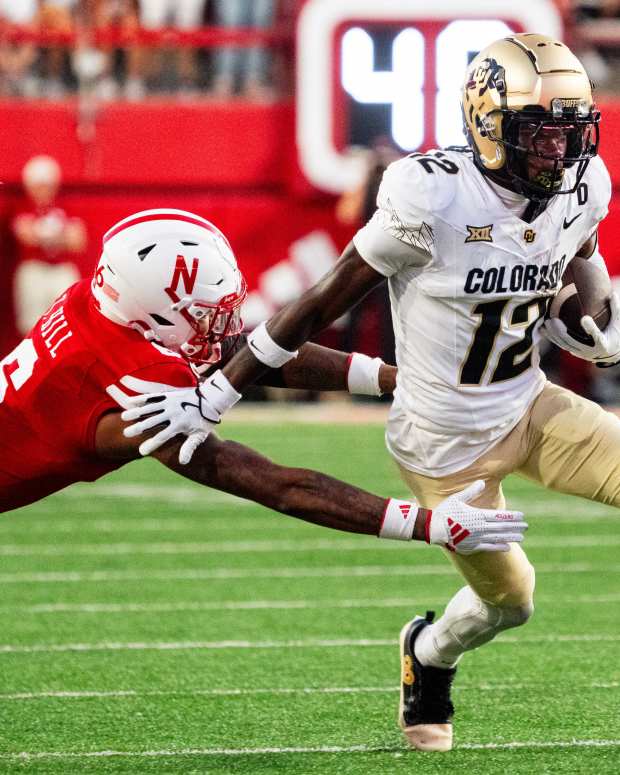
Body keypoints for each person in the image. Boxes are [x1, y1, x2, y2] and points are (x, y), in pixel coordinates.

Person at [129, 35, 620, 752]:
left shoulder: (583, 183)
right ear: (488, 124)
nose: (559, 151)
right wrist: (218, 396)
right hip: (444, 443)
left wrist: (595, 321)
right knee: (512, 602)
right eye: (542, 133)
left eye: (573, 133)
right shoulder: (434, 196)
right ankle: (430, 651)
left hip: (530, 403)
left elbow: (580, 261)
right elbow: (313, 305)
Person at [0, 205, 527, 597]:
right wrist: (426, 524)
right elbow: (270, 483)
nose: (223, 324)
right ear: (155, 312)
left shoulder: (102, 307)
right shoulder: (142, 381)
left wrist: (397, 380)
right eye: (205, 312)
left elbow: (249, 352)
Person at [12, 155, 87, 336]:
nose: (43, 190)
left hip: (60, 268)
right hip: (34, 269)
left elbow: (78, 241)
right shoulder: (22, 208)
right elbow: (25, 236)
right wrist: (60, 235)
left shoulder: (65, 208)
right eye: (39, 185)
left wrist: (42, 234)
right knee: (31, 323)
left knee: (67, 319)